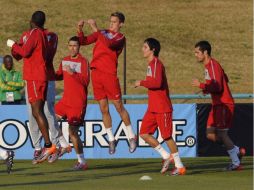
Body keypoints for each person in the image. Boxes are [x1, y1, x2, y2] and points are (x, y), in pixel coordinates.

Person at [77, 12, 136, 154]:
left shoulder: (120, 38)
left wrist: (96, 29)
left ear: (121, 24)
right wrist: (80, 30)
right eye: (111, 21)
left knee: (118, 106)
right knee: (103, 108)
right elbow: (84, 41)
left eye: (115, 22)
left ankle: (131, 136)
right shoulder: (102, 32)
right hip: (96, 73)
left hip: (109, 74)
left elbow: (109, 44)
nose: (111, 24)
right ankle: (111, 139)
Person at [7, 10, 56, 163]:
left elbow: (25, 51)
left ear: (32, 21)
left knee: (36, 111)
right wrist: (16, 49)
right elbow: (20, 54)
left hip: (35, 77)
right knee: (39, 111)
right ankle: (47, 146)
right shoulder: (39, 34)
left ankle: (48, 146)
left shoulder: (34, 33)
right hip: (40, 76)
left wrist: (13, 44)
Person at [134, 38, 186, 176]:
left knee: (167, 136)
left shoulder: (156, 63)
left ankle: (180, 166)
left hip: (162, 107)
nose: (142, 49)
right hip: (153, 107)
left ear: (153, 50)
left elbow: (157, 83)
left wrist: (141, 82)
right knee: (144, 133)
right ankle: (165, 156)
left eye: (145, 47)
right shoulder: (151, 65)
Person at [191, 40, 245, 171]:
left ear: (205, 52)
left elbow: (219, 85)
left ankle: (236, 162)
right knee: (209, 134)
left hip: (223, 104)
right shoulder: (209, 66)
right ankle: (236, 150)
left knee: (221, 134)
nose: (195, 55)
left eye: (197, 52)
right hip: (217, 104)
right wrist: (207, 89)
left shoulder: (212, 65)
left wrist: (202, 85)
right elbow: (224, 79)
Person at [25, 29, 70, 164]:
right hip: (31, 78)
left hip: (47, 77)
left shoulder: (51, 35)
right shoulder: (28, 35)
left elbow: (47, 55)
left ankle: (54, 146)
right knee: (32, 113)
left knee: (48, 112)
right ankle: (38, 147)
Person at [54, 36, 89, 170]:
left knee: (72, 132)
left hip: (77, 103)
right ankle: (62, 145)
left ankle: (82, 162)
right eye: (70, 45)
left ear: (79, 47)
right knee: (50, 119)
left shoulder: (83, 61)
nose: (72, 48)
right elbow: (59, 75)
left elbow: (86, 81)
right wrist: (50, 74)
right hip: (65, 101)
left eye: (75, 45)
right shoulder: (64, 60)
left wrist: (73, 72)